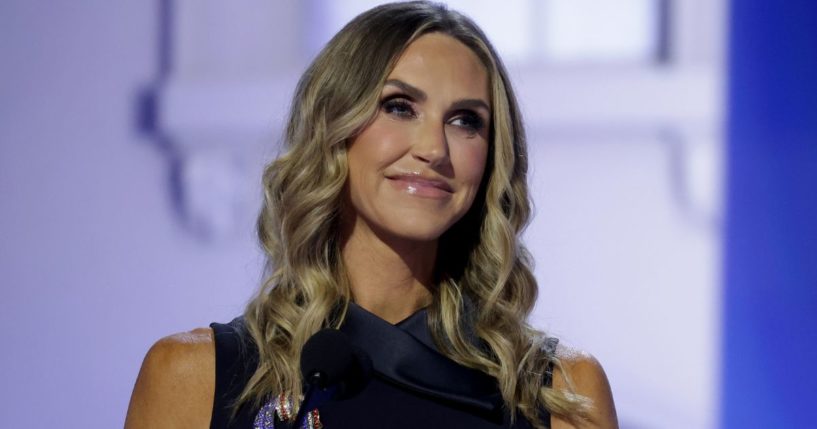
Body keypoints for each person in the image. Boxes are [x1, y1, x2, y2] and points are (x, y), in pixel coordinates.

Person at [124, 2, 617, 428]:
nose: (433, 149)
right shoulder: (195, 377)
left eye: (466, 121)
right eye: (399, 107)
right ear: (333, 129)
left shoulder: (561, 395)